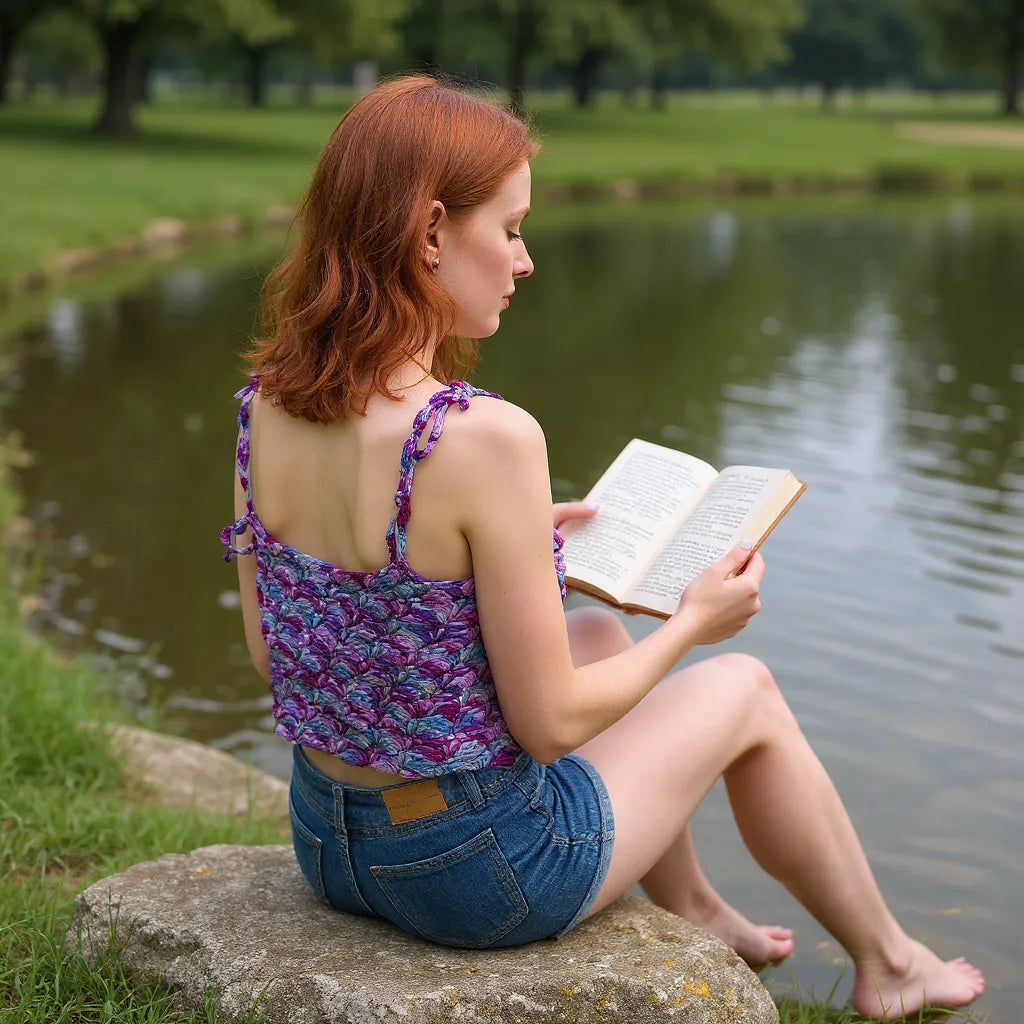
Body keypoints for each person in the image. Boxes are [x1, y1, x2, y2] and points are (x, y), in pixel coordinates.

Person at [221, 75, 984, 1020]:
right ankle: (892, 965)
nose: (524, 260)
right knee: (744, 690)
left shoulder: (267, 408)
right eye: (508, 228)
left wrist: (491, 554)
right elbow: (549, 729)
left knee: (593, 640)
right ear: (428, 235)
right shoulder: (481, 437)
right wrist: (695, 623)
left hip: (330, 839)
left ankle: (696, 906)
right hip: (474, 875)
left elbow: (277, 652)